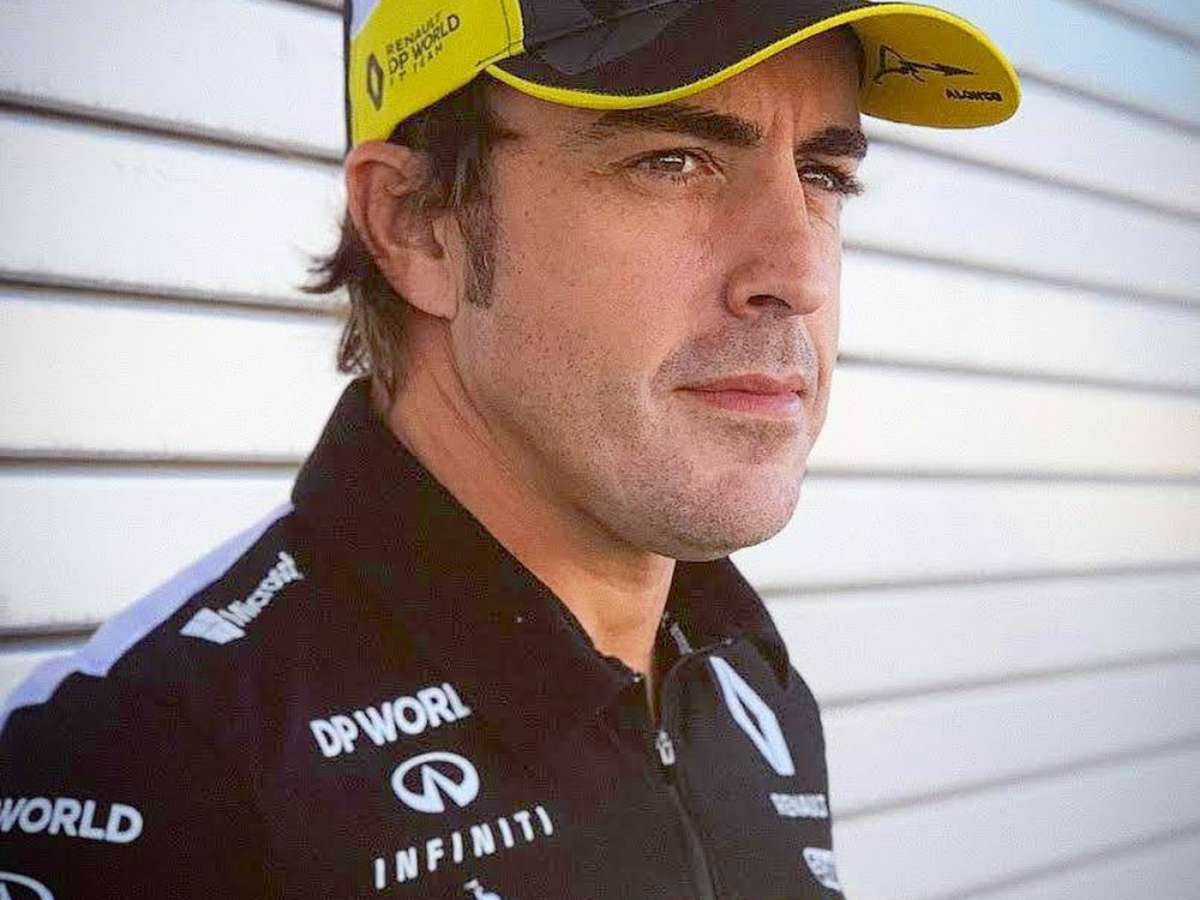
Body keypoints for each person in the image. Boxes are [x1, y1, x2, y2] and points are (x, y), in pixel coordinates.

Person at [0, 1, 1018, 897]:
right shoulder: (148, 765)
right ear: (417, 226)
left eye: (823, 174)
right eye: (671, 160)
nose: (797, 271)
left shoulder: (742, 678)